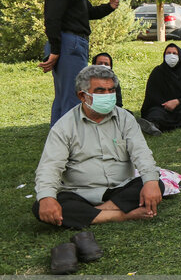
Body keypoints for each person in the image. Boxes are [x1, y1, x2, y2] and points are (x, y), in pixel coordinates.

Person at [34, 64, 164, 231]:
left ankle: (92, 215)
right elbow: (50, 166)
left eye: (111, 90)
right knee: (41, 205)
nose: (108, 95)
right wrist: (46, 198)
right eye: (101, 91)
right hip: (80, 193)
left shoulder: (125, 118)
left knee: (155, 183)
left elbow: (141, 153)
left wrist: (151, 182)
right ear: (82, 95)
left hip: (119, 188)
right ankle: (123, 214)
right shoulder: (64, 126)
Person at [39, 0, 120, 126]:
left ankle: (59, 148)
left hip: (72, 44)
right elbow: (52, 18)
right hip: (69, 45)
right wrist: (56, 50)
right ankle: (70, 148)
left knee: (64, 98)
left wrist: (109, 7)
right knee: (72, 99)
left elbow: (87, 12)